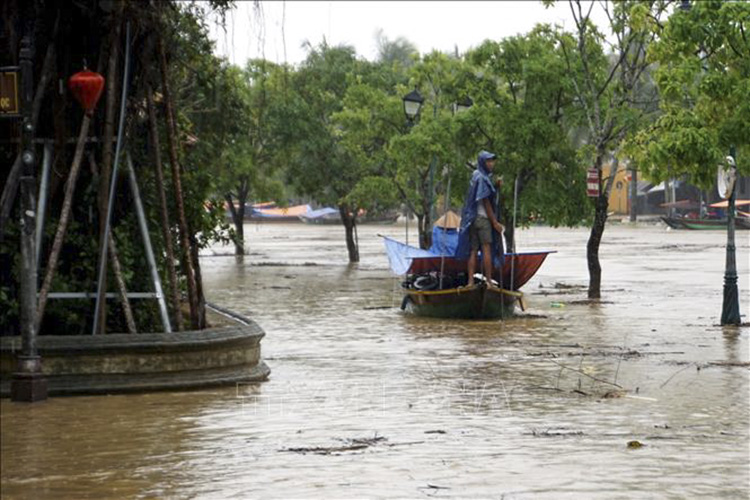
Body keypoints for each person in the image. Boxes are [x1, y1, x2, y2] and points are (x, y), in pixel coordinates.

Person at [455, 150, 505, 287]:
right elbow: (485, 200)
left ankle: (470, 282)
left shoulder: (475, 176)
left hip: (472, 220)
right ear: (483, 162)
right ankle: (488, 281)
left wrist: (495, 187)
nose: (491, 164)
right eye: (488, 161)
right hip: (483, 220)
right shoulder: (482, 178)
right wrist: (494, 222)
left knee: (472, 250)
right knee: (486, 248)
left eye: (492, 161)